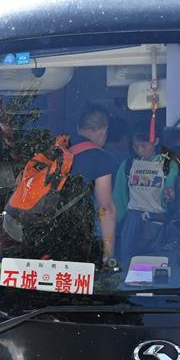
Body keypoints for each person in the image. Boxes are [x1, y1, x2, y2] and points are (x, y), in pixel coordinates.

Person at [114, 128, 180, 266]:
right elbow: (119, 196)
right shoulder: (127, 165)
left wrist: (169, 193)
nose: (139, 150)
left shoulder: (168, 164)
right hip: (132, 220)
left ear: (155, 141)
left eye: (143, 145)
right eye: (135, 146)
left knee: (155, 262)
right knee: (129, 263)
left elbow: (170, 186)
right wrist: (114, 223)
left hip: (157, 221)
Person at [70, 103, 118, 265]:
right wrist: (108, 254)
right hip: (83, 239)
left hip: (52, 237)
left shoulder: (58, 150)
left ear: (78, 128)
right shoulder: (100, 157)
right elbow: (105, 208)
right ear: (104, 129)